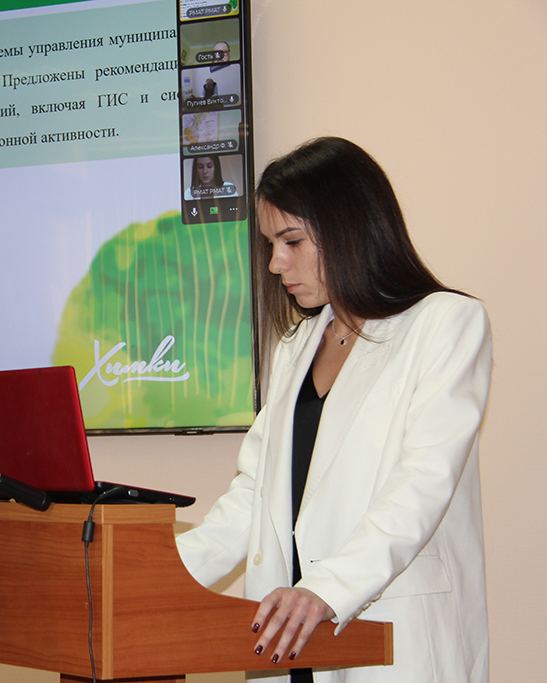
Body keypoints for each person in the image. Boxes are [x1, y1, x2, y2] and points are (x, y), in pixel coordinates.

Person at [176, 137, 491, 682]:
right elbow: (254, 497)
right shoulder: (295, 346)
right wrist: (152, 576)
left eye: (292, 241)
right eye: (271, 244)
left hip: (390, 632)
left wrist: (326, 589)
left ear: (348, 227)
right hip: (289, 639)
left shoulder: (445, 323)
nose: (275, 263)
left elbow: (423, 483)